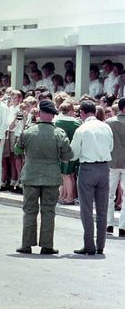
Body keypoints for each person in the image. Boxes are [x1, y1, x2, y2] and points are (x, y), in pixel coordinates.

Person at [15, 100, 73, 255]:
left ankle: (26, 244)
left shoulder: (28, 132)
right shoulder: (59, 133)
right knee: (48, 211)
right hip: (51, 177)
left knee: (29, 211)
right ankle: (47, 246)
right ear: (53, 116)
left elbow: (17, 149)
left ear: (39, 114)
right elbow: (68, 156)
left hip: (31, 175)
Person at [71, 100, 113, 255]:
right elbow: (111, 147)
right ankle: (100, 245)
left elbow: (74, 153)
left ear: (82, 113)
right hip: (103, 167)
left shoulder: (81, 129)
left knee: (86, 209)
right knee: (102, 209)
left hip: (87, 168)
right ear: (94, 112)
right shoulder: (106, 127)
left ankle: (89, 245)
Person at [106, 98, 125, 237]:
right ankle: (123, 226)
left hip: (112, 162)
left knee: (109, 195)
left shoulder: (109, 122)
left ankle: (109, 224)